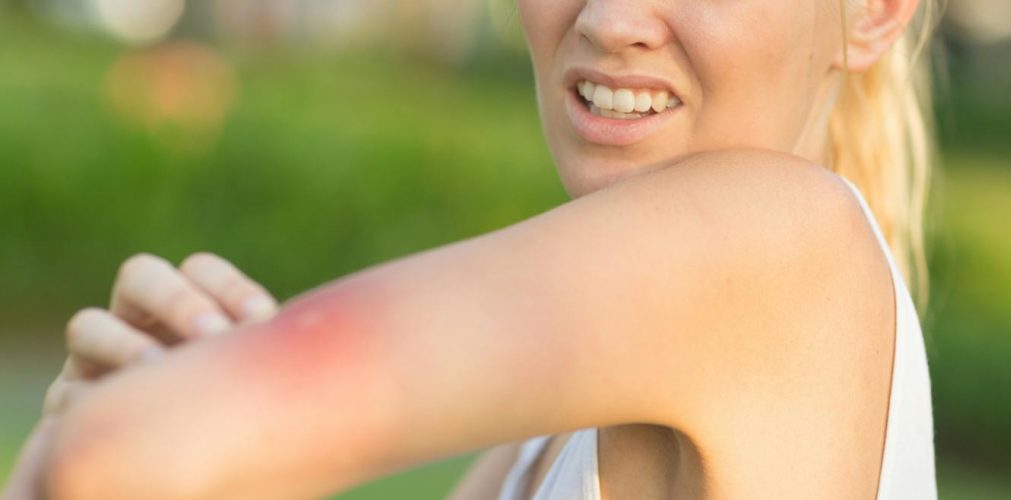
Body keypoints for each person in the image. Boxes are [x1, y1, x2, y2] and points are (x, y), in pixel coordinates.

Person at [2, 0, 939, 498]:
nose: (612, 18)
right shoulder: (559, 432)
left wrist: (107, 442)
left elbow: (115, 458)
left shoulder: (776, 241)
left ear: (875, 11)